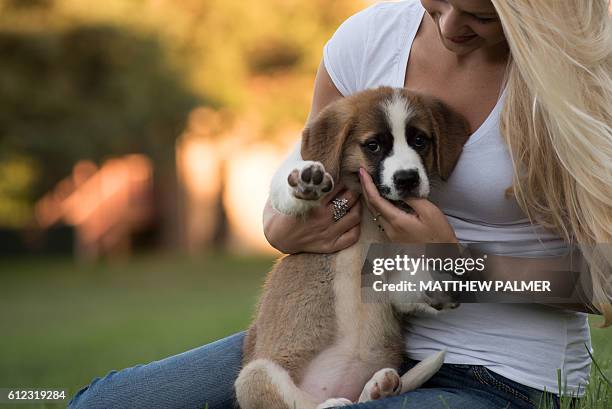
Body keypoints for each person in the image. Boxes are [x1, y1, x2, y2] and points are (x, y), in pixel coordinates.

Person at [69, 1, 612, 408]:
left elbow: (602, 282)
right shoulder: (371, 37)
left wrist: (454, 266)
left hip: (498, 370)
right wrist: (285, 224)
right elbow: (297, 185)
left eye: (478, 13)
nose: (448, 28)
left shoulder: (585, 76)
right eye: (435, 2)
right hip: (332, 331)